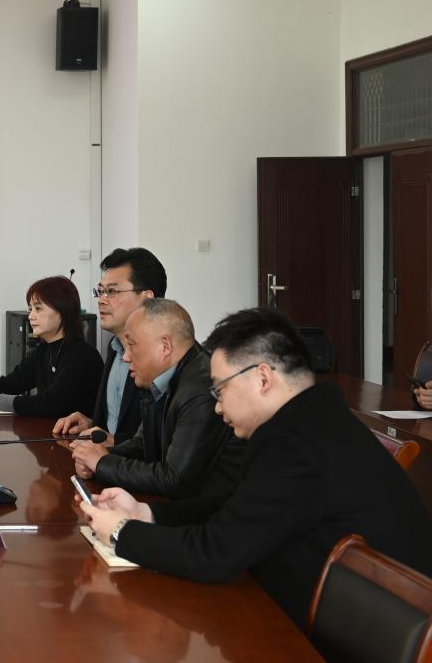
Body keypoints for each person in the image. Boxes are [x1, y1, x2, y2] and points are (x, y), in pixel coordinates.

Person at [80, 307, 432, 628]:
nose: (217, 407)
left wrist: (122, 533)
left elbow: (214, 554)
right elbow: (229, 507)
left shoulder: (296, 444)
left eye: (220, 390)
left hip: (344, 636)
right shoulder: (309, 418)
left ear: (263, 378)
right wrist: (144, 513)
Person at [71, 299, 243, 499]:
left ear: (165, 347)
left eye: (131, 345)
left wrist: (102, 463)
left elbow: (174, 479)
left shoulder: (200, 390)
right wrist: (100, 455)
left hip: (211, 511)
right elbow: (142, 444)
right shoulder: (161, 378)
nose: (126, 357)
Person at [53, 248, 166, 446]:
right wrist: (92, 424)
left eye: (112, 291)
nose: (101, 299)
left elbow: (164, 441)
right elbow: (118, 427)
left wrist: (114, 443)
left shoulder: (163, 356)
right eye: (100, 291)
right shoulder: (114, 347)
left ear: (147, 298)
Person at [0, 276, 102, 417]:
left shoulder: (82, 356)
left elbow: (50, 404)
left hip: (77, 433)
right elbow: (13, 382)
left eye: (38, 309)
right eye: (30, 309)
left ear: (63, 311)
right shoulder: (44, 350)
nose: (31, 316)